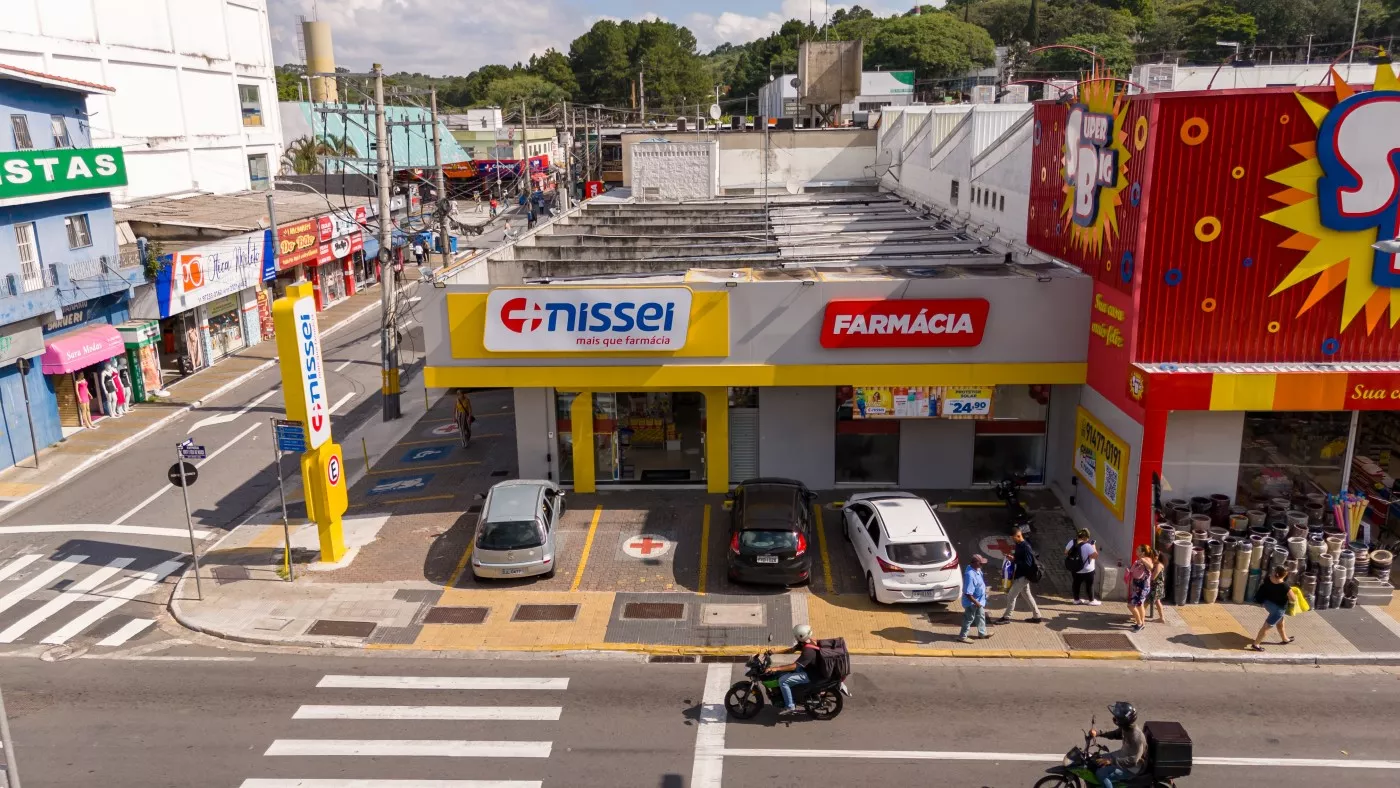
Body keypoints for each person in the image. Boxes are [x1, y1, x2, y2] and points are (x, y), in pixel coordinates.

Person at [1090, 701, 1146, 788]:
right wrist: (1098, 733)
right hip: (1122, 755)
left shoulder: (1136, 736)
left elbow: (1134, 760)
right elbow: (1115, 734)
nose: (1115, 718)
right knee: (1095, 760)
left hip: (1131, 769)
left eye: (1118, 717)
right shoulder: (1127, 728)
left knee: (1101, 773)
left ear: (1124, 720)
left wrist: (1111, 761)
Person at [995, 527, 1044, 625]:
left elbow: (1027, 564)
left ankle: (1006, 617)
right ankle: (1037, 616)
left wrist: (1014, 560)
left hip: (1023, 576)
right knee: (1027, 595)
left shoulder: (1026, 547)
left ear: (1018, 536)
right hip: (1022, 575)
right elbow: (1019, 557)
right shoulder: (1019, 544)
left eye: (1013, 538)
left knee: (1011, 596)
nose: (1012, 540)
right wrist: (1013, 556)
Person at [770, 624, 820, 716]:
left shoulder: (808, 651)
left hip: (810, 674)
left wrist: (776, 668)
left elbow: (795, 666)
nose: (795, 637)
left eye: (796, 636)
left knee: (783, 681)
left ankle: (790, 706)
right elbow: (791, 650)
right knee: (784, 671)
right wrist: (774, 652)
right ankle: (792, 693)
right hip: (807, 668)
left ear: (801, 636)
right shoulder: (806, 642)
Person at [1249, 565, 1295, 651]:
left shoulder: (1268, 578)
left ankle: (1285, 639)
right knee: (1266, 627)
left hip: (1268, 604)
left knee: (1280, 622)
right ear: (1285, 574)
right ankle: (1256, 644)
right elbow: (1293, 599)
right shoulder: (1285, 586)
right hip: (1278, 610)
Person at [958, 554, 993, 643]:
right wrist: (976, 602)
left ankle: (982, 633)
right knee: (968, 618)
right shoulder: (970, 575)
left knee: (980, 616)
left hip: (979, 601)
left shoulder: (977, 569)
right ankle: (962, 636)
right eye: (981, 563)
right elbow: (968, 593)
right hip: (972, 602)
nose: (982, 565)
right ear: (975, 563)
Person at [1066, 529, 1100, 605]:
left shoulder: (1072, 542)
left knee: (1076, 584)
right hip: (1087, 570)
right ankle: (1091, 600)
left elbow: (1066, 552)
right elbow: (1095, 556)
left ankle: (1076, 600)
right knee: (1089, 585)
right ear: (1086, 537)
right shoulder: (1088, 546)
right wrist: (1093, 546)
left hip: (1075, 568)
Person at [1127, 545, 1154, 632]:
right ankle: (1142, 623)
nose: (1136, 550)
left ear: (1143, 552)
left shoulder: (1147, 559)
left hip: (1143, 587)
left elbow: (1151, 567)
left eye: (1138, 549)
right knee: (1140, 605)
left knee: (1131, 605)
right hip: (1137, 586)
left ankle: (1139, 624)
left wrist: (1143, 560)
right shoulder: (1138, 560)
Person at [1148, 550, 1167, 624]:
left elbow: (1153, 577)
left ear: (1156, 557)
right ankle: (1162, 618)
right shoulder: (1156, 564)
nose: (1151, 559)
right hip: (1156, 585)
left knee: (1155, 601)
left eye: (1152, 557)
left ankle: (1162, 618)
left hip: (1157, 586)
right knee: (1156, 601)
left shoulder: (1159, 565)